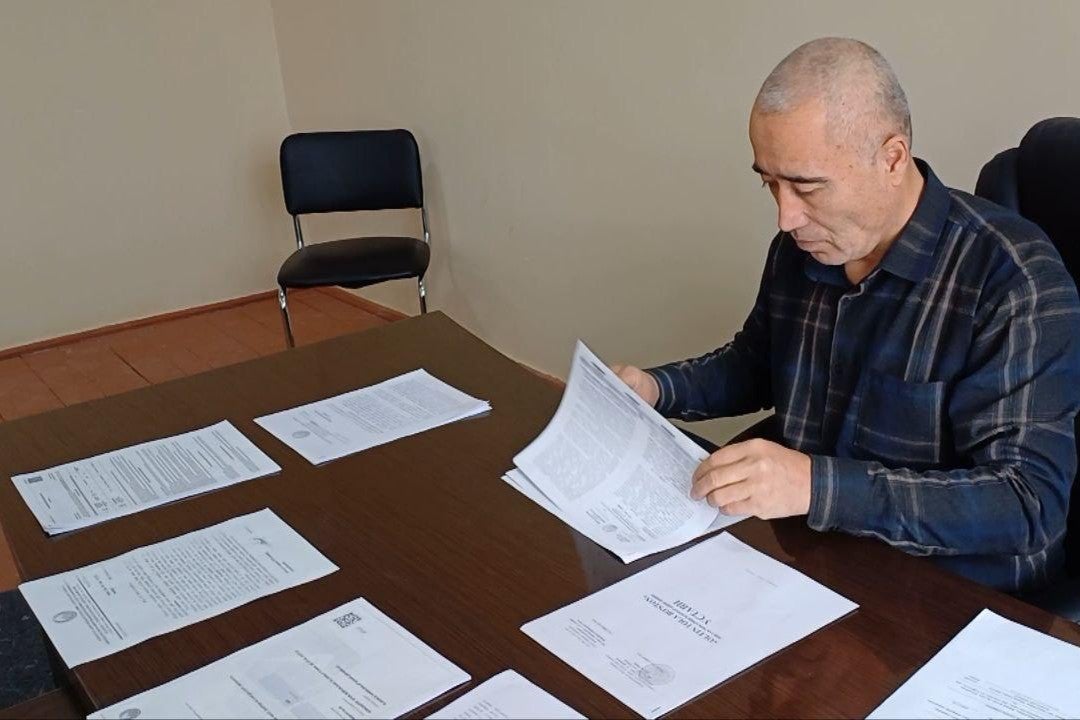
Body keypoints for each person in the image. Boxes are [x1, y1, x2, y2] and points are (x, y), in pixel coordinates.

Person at [612, 37, 1080, 594]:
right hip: (810, 559)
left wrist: (816, 486)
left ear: (891, 158)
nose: (786, 217)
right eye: (770, 183)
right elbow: (757, 363)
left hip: (946, 591)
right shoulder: (806, 246)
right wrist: (655, 389)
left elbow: (1026, 503)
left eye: (806, 186)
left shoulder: (1011, 279)